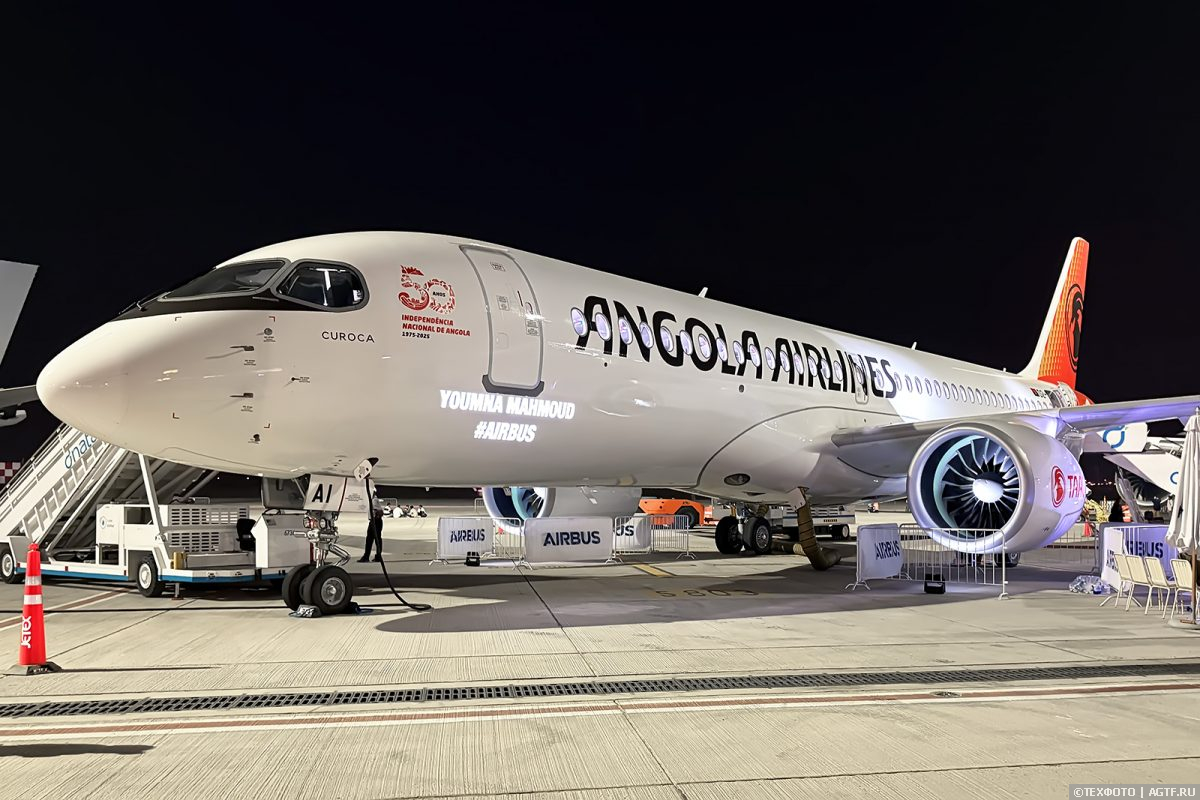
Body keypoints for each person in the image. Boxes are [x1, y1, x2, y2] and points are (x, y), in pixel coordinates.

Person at [359, 497, 385, 562]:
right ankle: (377, 556)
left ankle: (367, 556)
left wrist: (376, 517)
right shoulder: (373, 500)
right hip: (375, 521)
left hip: (375, 521)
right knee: (376, 539)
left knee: (371, 540)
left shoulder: (374, 500)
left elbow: (379, 511)